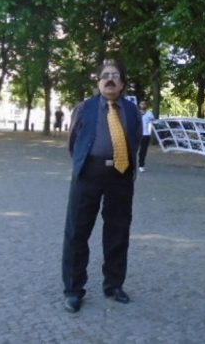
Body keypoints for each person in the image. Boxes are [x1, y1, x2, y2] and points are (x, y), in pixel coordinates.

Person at [61, 60, 142, 313]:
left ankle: (114, 284)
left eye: (115, 75)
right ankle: (74, 289)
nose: (110, 79)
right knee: (77, 232)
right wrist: (86, 163)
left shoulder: (131, 110)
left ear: (123, 83)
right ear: (98, 82)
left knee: (118, 231)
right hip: (88, 174)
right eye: (105, 75)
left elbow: (136, 139)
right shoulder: (84, 108)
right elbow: (74, 141)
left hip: (120, 176)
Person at [137, 100, 154, 172]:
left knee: (143, 151)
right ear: (139, 105)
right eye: (141, 104)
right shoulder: (136, 112)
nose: (143, 105)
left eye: (144, 104)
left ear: (146, 105)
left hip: (146, 135)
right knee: (132, 150)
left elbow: (153, 121)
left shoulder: (149, 113)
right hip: (137, 135)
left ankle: (141, 165)